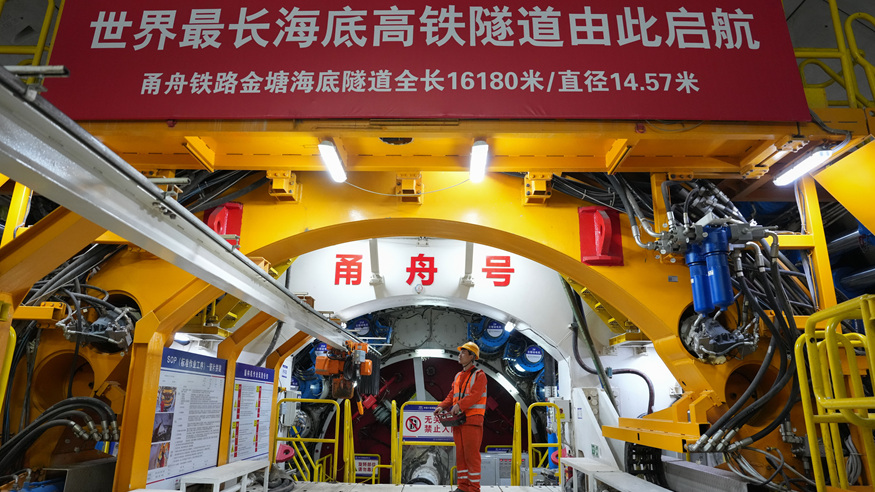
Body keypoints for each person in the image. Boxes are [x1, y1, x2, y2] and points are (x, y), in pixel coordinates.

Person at [435, 341, 487, 492]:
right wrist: (441, 406)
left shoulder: (480, 375)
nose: (460, 355)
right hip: (458, 421)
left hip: (472, 420)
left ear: (472, 356)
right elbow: (452, 395)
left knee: (471, 456)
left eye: (463, 352)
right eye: (460, 352)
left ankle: (474, 488)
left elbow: (475, 395)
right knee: (461, 455)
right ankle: (463, 487)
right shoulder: (458, 376)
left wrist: (459, 405)